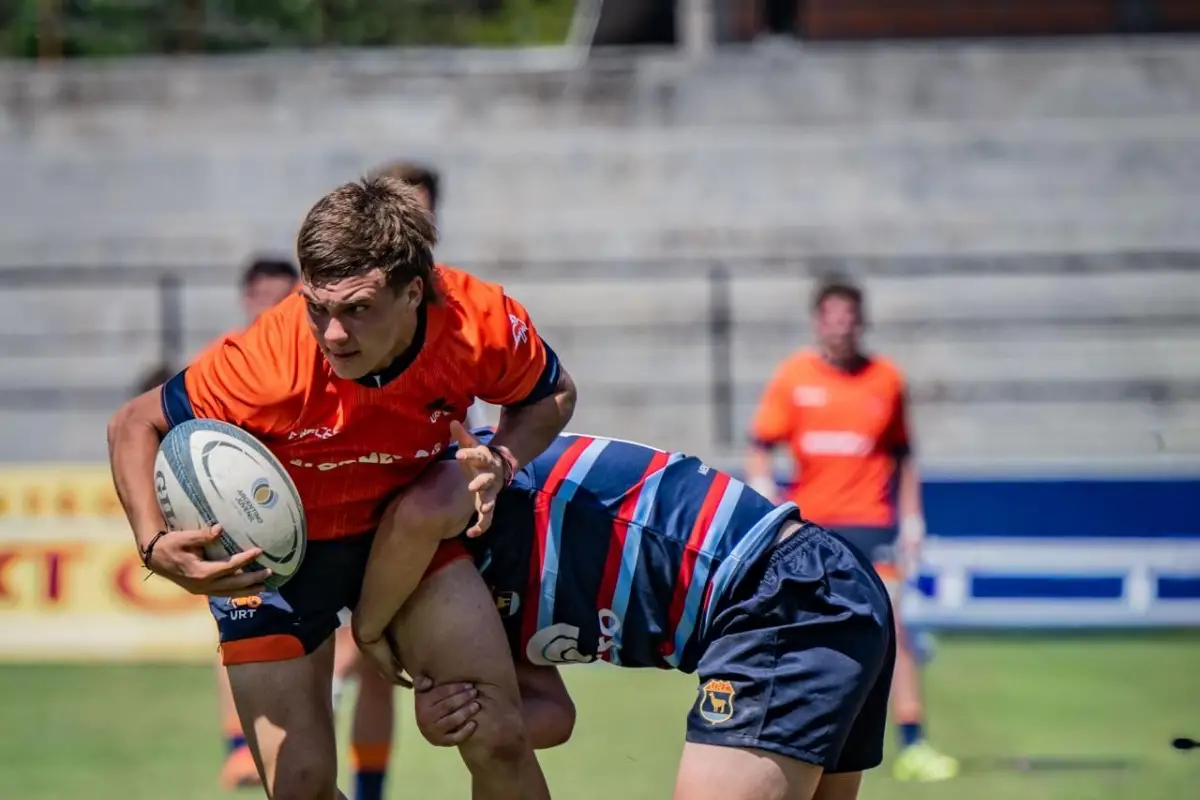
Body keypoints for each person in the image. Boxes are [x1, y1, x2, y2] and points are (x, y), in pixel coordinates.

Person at [107, 175, 576, 800]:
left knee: (496, 733)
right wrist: (153, 542)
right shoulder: (268, 363)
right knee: (300, 787)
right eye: (316, 307)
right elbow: (134, 422)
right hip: (275, 568)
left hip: (404, 542)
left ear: (414, 293)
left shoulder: (476, 323)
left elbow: (553, 395)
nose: (332, 334)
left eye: (357, 309)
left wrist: (504, 457)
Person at [406, 426, 894, 800]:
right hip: (811, 588)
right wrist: (461, 714)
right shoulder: (460, 579)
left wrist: (367, 632)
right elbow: (552, 712)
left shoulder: (471, 486)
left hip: (780, 592)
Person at [743, 276, 958, 782]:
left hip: (870, 522)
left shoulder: (886, 379)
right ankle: (795, 736)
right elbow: (761, 443)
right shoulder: (794, 377)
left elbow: (904, 455)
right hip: (812, 526)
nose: (841, 325)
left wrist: (912, 519)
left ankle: (912, 741)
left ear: (861, 321)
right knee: (801, 631)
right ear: (819, 321)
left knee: (892, 631)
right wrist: (765, 491)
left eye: (849, 316)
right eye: (832, 315)